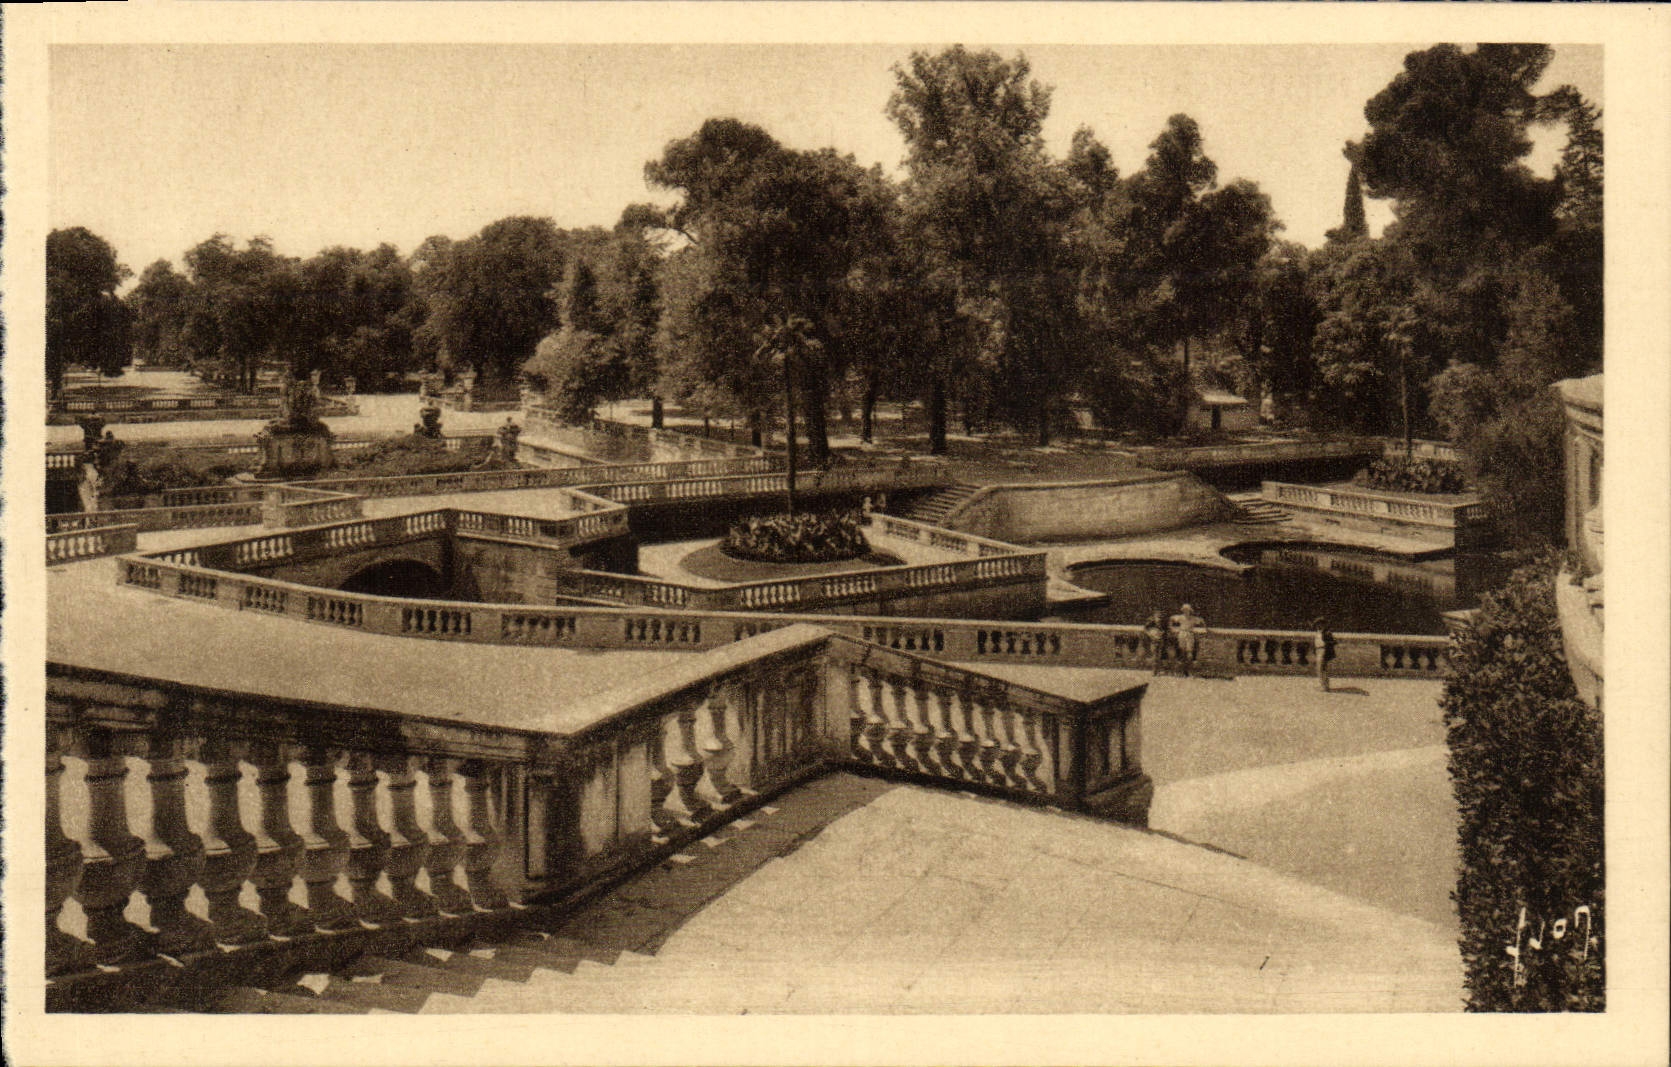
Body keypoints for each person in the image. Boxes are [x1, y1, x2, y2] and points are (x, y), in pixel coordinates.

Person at [1169, 603, 1205, 677]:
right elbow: (1171, 618)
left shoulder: (1193, 618)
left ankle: (1189, 670)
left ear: (1190, 611)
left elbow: (1201, 621)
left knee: (1189, 653)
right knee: (1182, 652)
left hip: (1189, 634)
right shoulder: (1180, 617)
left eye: (1187, 610)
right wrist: (1171, 628)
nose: (1186, 612)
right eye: (1184, 610)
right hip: (1182, 633)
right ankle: (1181, 671)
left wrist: (1205, 629)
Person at [1313, 617, 1337, 692]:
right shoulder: (1318, 632)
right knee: (1320, 668)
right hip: (1318, 651)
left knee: (1322, 668)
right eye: (1317, 624)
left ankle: (1325, 686)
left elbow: (1334, 642)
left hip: (1323, 650)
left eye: (1320, 624)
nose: (1318, 625)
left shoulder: (1327, 633)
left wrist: (1326, 645)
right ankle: (1323, 685)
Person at [1143, 610, 1168, 674]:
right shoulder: (1151, 622)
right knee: (1154, 655)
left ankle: (1158, 669)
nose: (1158, 618)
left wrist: (1161, 633)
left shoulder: (1163, 624)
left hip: (1161, 640)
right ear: (1154, 616)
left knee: (1159, 655)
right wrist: (1151, 635)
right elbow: (1145, 629)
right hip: (1153, 640)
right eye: (1157, 616)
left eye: (1160, 616)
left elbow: (1166, 631)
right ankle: (1154, 670)